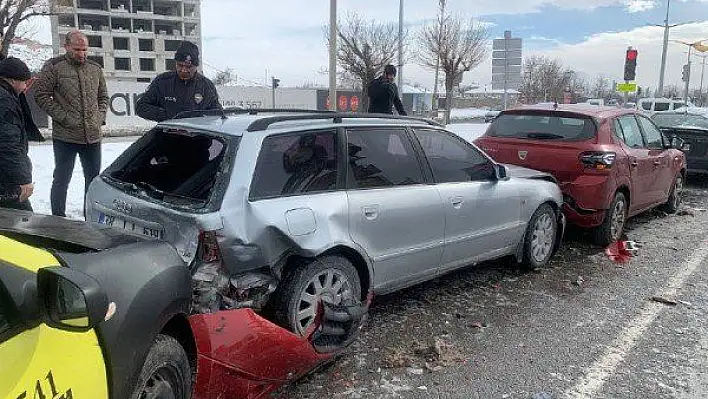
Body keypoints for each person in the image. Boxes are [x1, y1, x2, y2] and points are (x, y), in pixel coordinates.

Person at [33, 30, 108, 217]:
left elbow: (103, 97)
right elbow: (41, 96)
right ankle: (58, 218)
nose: (81, 54)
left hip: (92, 136)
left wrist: (99, 118)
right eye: (77, 49)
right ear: (66, 46)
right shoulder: (54, 66)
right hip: (65, 136)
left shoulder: (95, 68)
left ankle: (89, 217)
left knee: (92, 180)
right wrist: (64, 117)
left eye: (84, 49)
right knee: (61, 178)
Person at [136, 40, 222, 122]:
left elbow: (217, 114)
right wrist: (167, 115)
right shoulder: (162, 82)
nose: (184, 70)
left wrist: (200, 118)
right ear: (176, 63)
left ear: (196, 66)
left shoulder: (207, 86)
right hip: (169, 134)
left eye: (188, 67)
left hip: (197, 135)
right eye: (180, 65)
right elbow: (141, 107)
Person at [0, 57, 44, 211]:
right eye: (24, 82)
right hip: (7, 179)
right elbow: (7, 145)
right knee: (22, 223)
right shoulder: (4, 101)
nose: (26, 87)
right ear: (12, 81)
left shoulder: (7, 96)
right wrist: (23, 179)